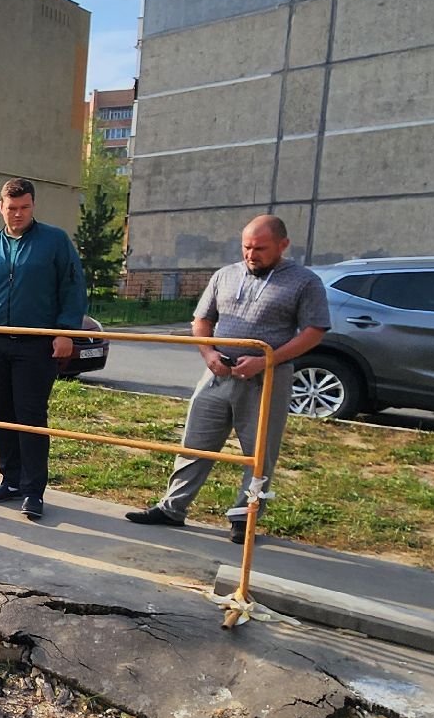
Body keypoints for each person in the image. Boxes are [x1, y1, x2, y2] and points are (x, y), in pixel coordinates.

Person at [126, 215, 329, 543]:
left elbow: (314, 331)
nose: (252, 254)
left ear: (283, 245)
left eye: (260, 248)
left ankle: (244, 518)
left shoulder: (304, 282)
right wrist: (209, 355)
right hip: (217, 375)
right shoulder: (225, 275)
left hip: (266, 379)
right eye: (247, 247)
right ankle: (172, 507)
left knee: (259, 454)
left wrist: (266, 361)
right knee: (194, 443)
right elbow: (202, 320)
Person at [0, 178, 88, 522]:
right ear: (1, 208)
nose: (17, 214)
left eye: (24, 207)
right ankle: (10, 480)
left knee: (30, 417)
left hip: (36, 345)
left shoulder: (54, 242)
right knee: (2, 413)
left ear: (33, 207)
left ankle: (33, 491)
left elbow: (73, 288)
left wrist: (65, 332)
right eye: (11, 208)